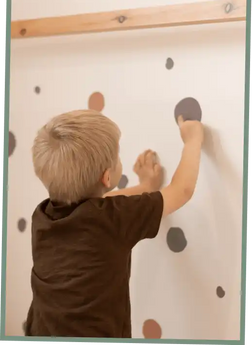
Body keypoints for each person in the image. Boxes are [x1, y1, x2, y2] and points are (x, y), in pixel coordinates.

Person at [25, 109, 204, 338]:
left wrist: (145, 187)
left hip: (43, 332)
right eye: (117, 157)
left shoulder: (42, 217)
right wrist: (192, 140)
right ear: (107, 177)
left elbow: (99, 205)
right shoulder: (112, 220)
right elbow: (182, 191)